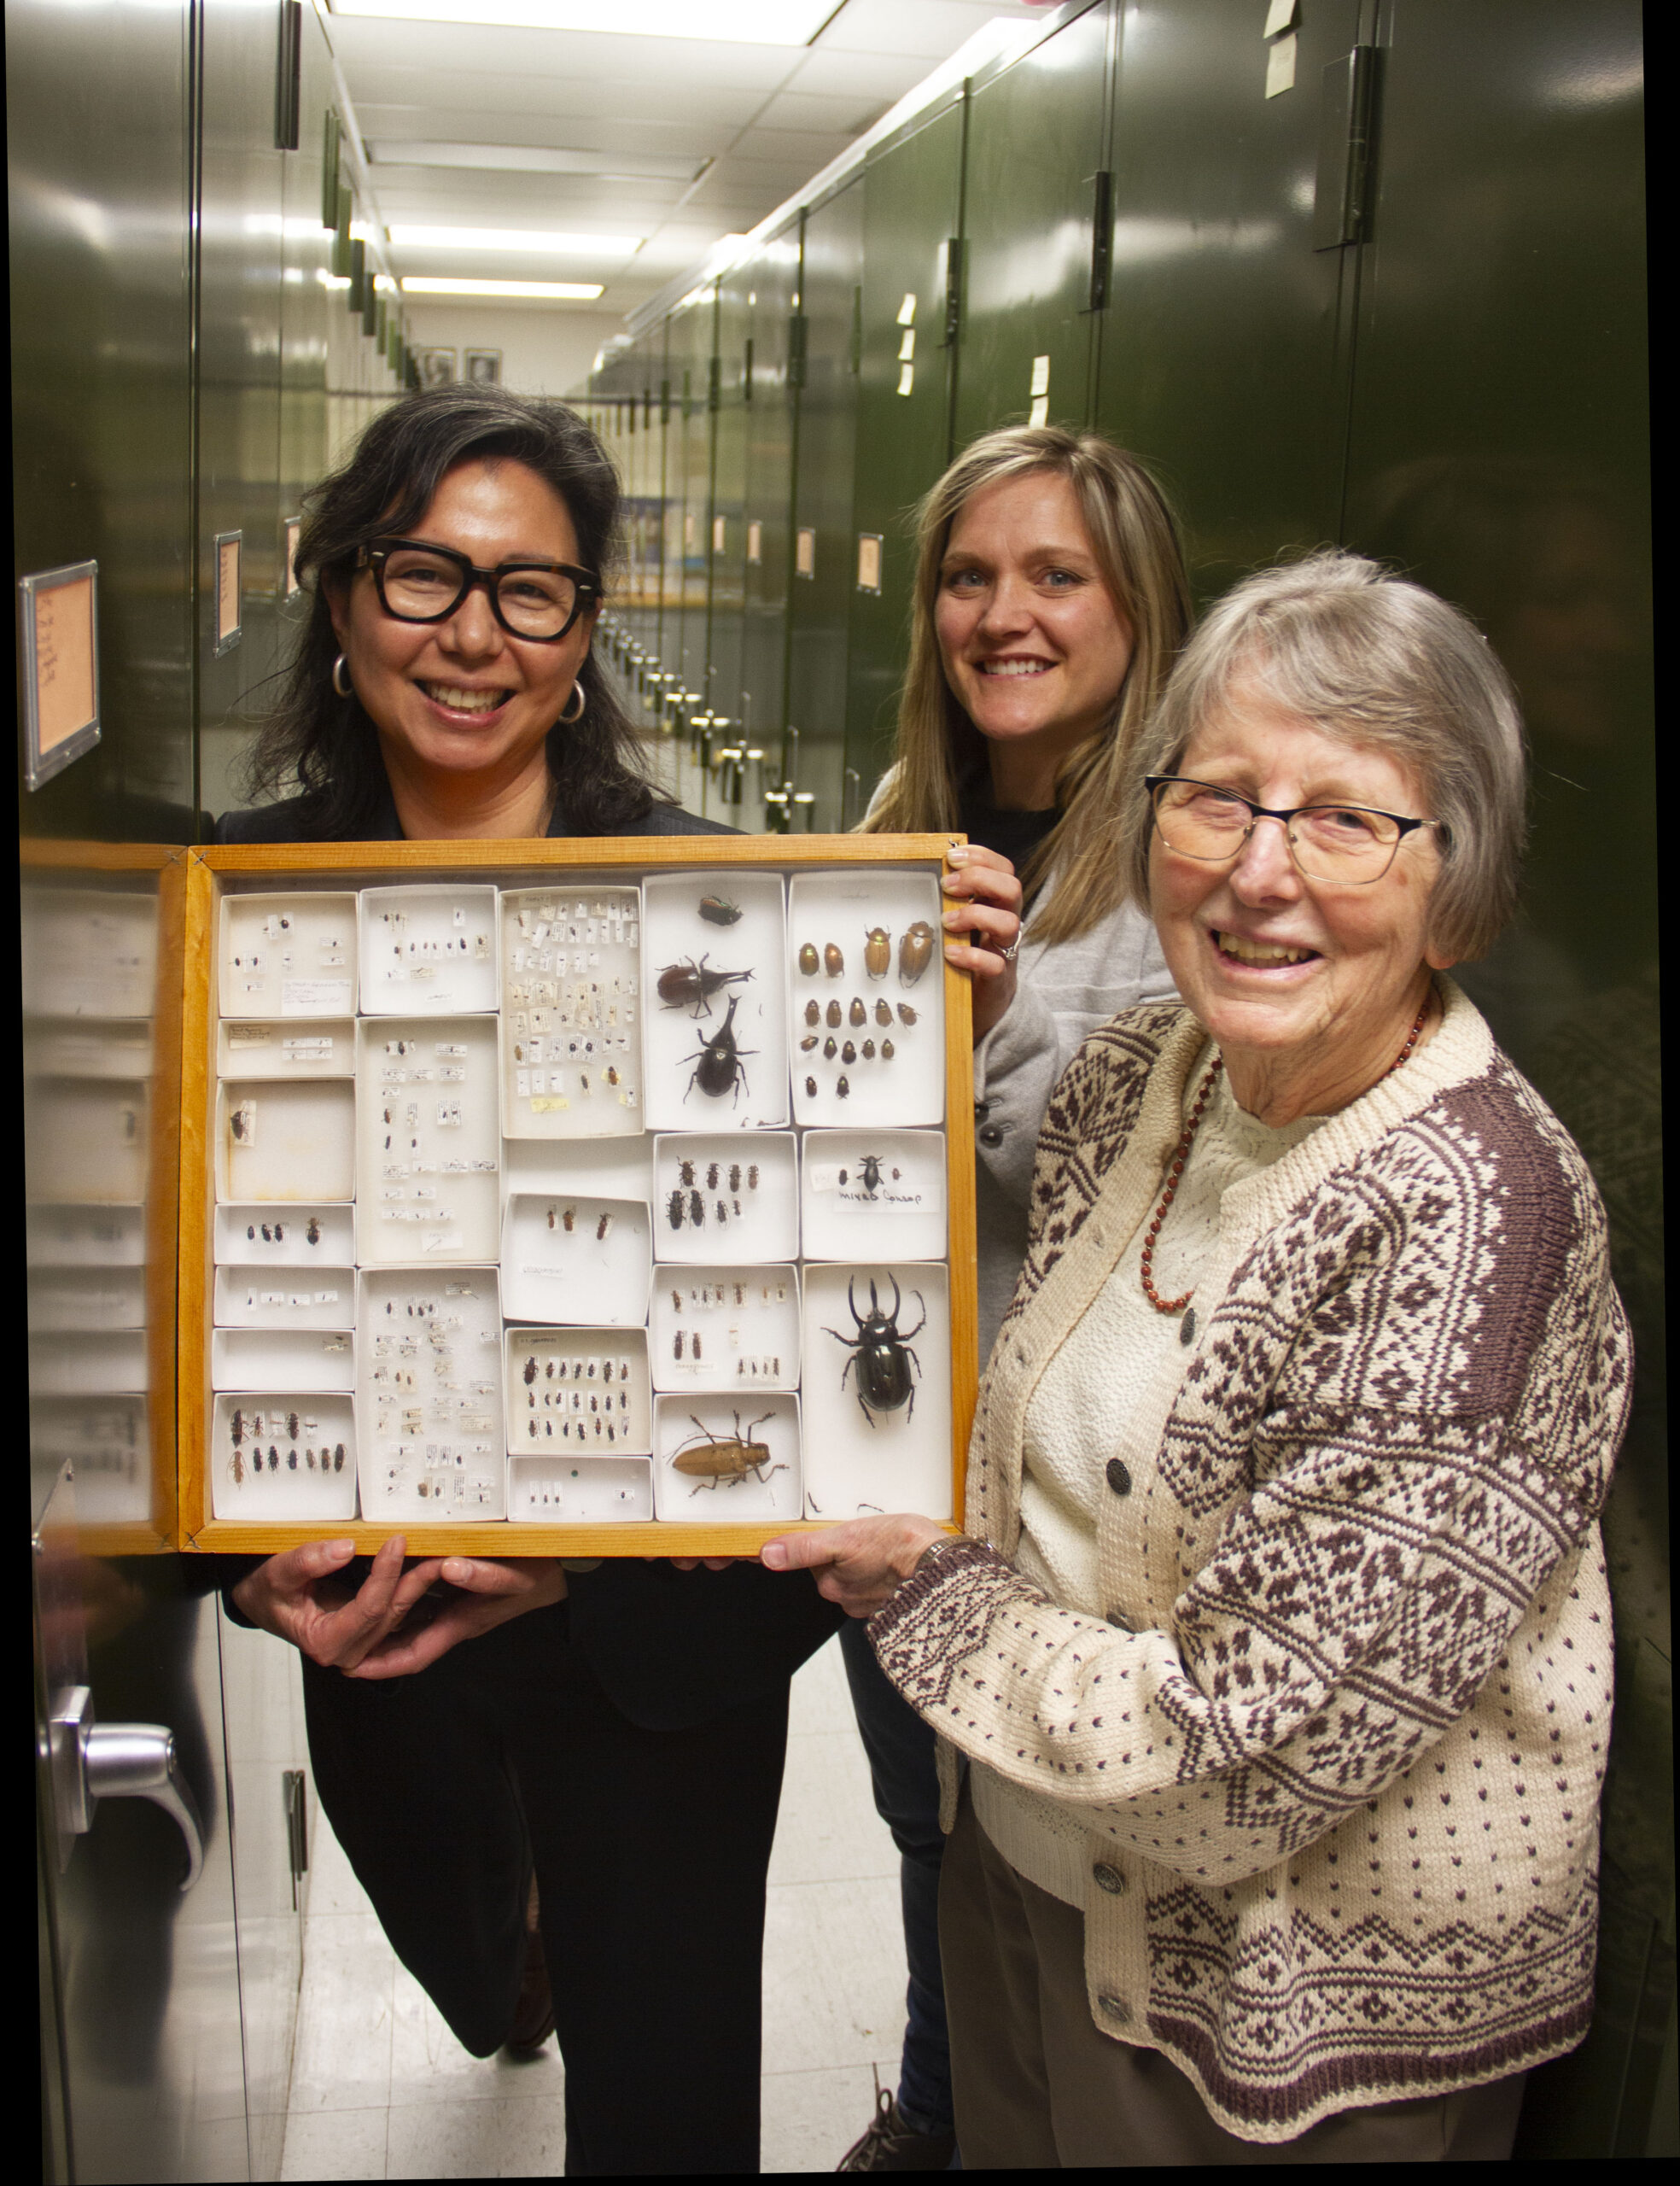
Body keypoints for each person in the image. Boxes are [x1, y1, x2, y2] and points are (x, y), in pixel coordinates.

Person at [768, 550, 1630, 2163]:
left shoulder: (1475, 1226)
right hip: (1028, 1883)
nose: (1256, 872)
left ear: (1457, 880)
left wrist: (928, 1598)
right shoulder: (1134, 1083)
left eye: (1347, 818)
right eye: (1216, 799)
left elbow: (1253, 1756)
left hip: (1297, 2015)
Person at [219, 383, 841, 2176]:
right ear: (342, 596)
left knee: (666, 2104)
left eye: (532, 591)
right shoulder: (232, 906)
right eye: (425, 575)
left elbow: (816, 1330)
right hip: (380, 1604)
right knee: (463, 1948)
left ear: (583, 635)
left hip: (660, 1636)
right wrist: (239, 1565)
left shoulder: (720, 908)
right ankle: (519, 1953)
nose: (474, 635)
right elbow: (168, 1294)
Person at [837, 426, 1192, 2168]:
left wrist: (989, 1024)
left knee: (1039, 1835)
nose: (1005, 614)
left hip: (1068, 1480)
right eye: (970, 577)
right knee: (926, 1817)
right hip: (897, 1433)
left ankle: (971, 2121)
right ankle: (941, 2103)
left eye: (1058, 576)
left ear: (1139, 607)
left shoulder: (1187, 856)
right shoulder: (896, 819)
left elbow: (1154, 1177)